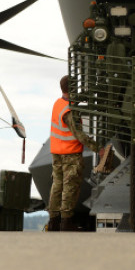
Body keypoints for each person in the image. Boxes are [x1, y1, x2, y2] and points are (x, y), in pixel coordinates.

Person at [47, 75, 100, 231]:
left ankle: (53, 221)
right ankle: (66, 222)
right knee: (70, 187)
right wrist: (98, 148)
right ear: (73, 89)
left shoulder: (58, 104)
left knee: (57, 186)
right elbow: (79, 134)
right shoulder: (69, 110)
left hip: (57, 152)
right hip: (70, 153)